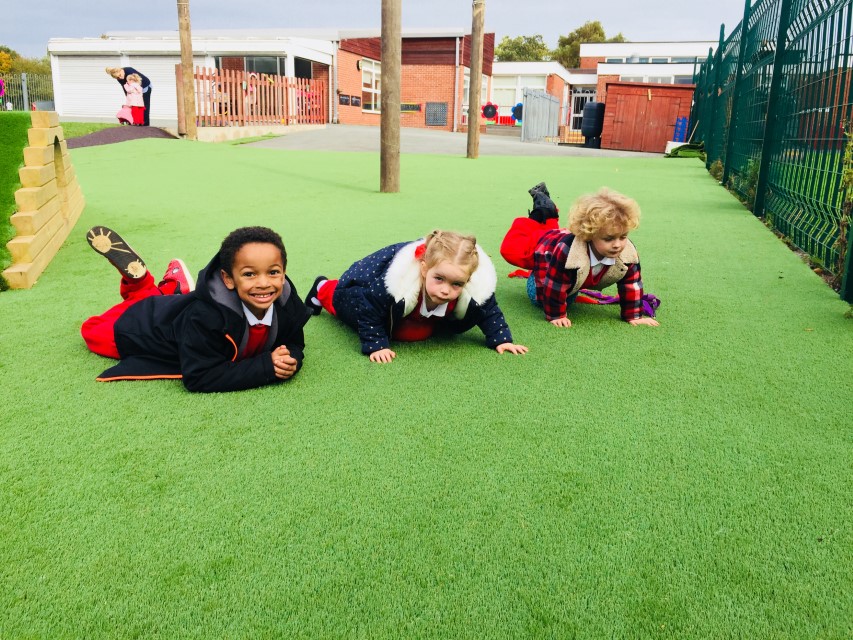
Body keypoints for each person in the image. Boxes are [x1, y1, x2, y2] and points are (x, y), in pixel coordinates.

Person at [81, 225, 308, 392]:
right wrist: (266, 367)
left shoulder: (286, 303)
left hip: (177, 311)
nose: (264, 283)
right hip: (141, 323)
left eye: (273, 272)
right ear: (228, 279)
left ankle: (168, 288)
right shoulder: (205, 318)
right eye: (249, 274)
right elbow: (199, 377)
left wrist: (291, 360)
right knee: (91, 330)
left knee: (168, 302)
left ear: (283, 272)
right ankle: (141, 284)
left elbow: (294, 341)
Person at [303, 229, 528, 363]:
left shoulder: (474, 289)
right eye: (439, 278)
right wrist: (376, 345)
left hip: (409, 313)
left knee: (417, 331)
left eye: (456, 284)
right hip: (362, 292)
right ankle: (322, 287)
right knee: (346, 305)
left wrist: (502, 339)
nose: (445, 290)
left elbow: (488, 310)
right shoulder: (395, 284)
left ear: (467, 281)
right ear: (423, 269)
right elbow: (369, 309)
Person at [500, 183, 660, 328]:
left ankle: (548, 217)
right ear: (589, 235)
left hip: (565, 243)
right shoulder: (566, 252)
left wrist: (634, 315)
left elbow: (631, 283)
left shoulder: (627, 253)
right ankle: (539, 214)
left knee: (570, 289)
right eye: (608, 238)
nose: (617, 244)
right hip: (545, 251)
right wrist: (556, 315)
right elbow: (554, 286)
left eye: (623, 237)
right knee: (514, 256)